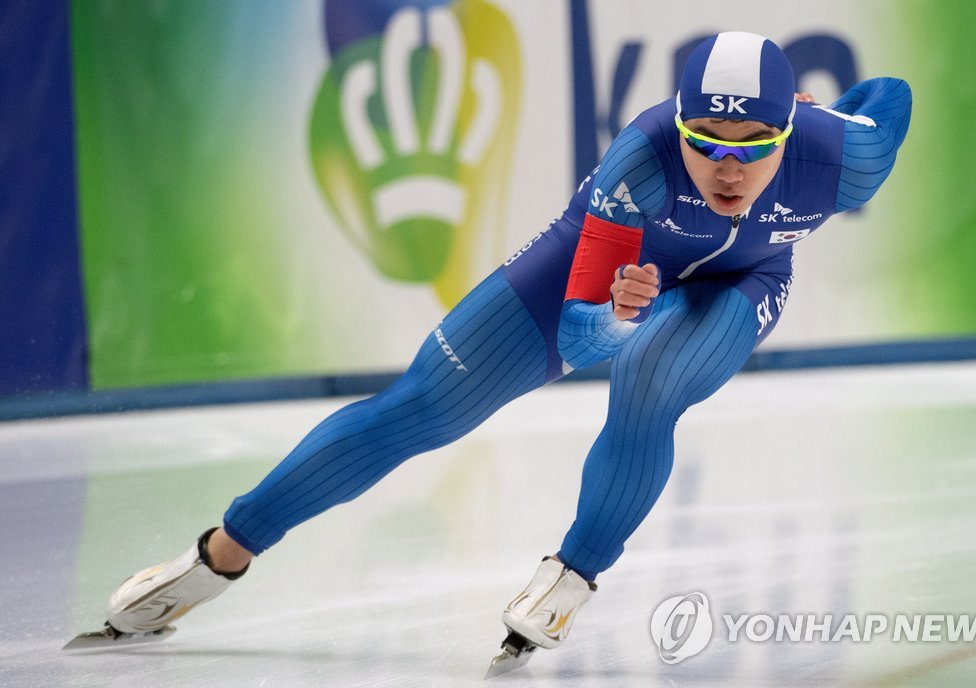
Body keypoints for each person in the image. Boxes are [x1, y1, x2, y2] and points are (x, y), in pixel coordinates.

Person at [72, 31, 912, 671]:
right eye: (709, 144)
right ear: (681, 128)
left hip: (743, 285)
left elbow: (891, 97)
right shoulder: (642, 163)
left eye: (754, 147)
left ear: (791, 125)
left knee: (653, 376)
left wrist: (845, 113)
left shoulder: (844, 157)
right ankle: (220, 553)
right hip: (607, 273)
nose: (729, 170)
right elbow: (582, 337)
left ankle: (572, 575)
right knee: (421, 407)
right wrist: (618, 312)